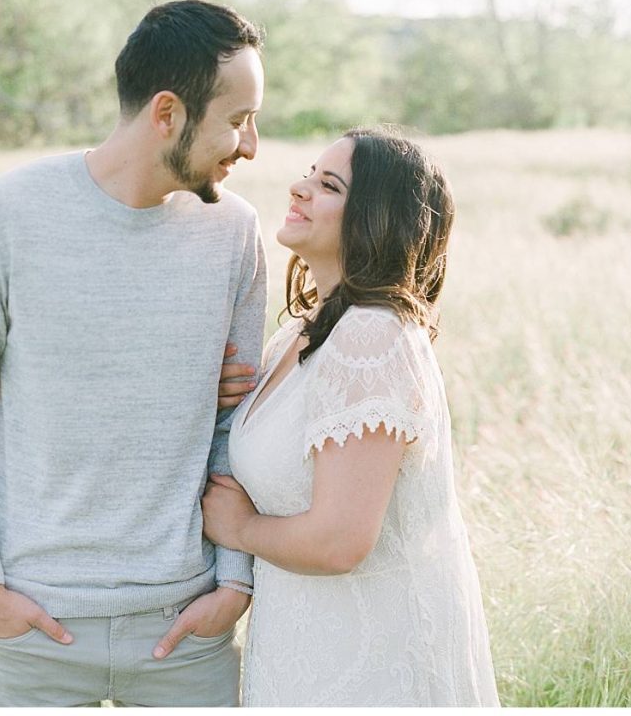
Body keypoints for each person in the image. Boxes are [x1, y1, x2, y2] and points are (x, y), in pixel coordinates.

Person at [0, 0, 267, 707]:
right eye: (237, 120)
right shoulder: (4, 214)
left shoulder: (234, 232)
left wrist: (234, 582)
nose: (251, 145)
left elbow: (238, 423)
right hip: (32, 629)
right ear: (166, 114)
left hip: (187, 633)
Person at [202, 128, 500, 707]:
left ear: (374, 219)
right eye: (310, 173)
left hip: (373, 664)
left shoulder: (372, 334)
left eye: (328, 185)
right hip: (304, 643)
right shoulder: (299, 333)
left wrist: (238, 530)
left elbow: (340, 540)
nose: (300, 187)